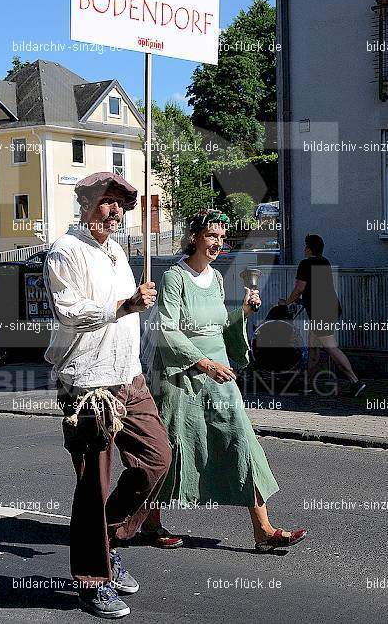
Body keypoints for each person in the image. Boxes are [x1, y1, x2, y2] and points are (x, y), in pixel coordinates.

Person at [43, 172, 172, 618]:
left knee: (158, 458)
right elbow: (70, 311)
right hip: (87, 384)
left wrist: (139, 314)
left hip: (128, 377)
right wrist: (124, 306)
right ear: (85, 203)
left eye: (122, 204)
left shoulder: (117, 251)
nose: (116, 211)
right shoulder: (65, 251)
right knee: (94, 485)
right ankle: (93, 579)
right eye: (108, 201)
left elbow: (129, 315)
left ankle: (111, 536)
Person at [140, 209, 307, 551]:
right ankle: (151, 522)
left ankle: (264, 530)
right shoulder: (175, 277)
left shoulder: (216, 278)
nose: (217, 243)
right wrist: (202, 363)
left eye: (221, 237)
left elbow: (217, 325)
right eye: (210, 236)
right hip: (182, 378)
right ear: (194, 238)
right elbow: (166, 329)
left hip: (220, 377)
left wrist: (244, 312)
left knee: (242, 442)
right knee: (173, 449)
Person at [281, 234, 366, 396]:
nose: (303, 249)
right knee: (313, 348)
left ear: (308, 249)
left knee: (330, 346)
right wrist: (301, 301)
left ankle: (355, 381)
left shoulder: (305, 263)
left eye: (305, 246)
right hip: (329, 308)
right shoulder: (324, 262)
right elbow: (316, 288)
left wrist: (287, 303)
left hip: (321, 312)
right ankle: (307, 383)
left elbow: (300, 288)